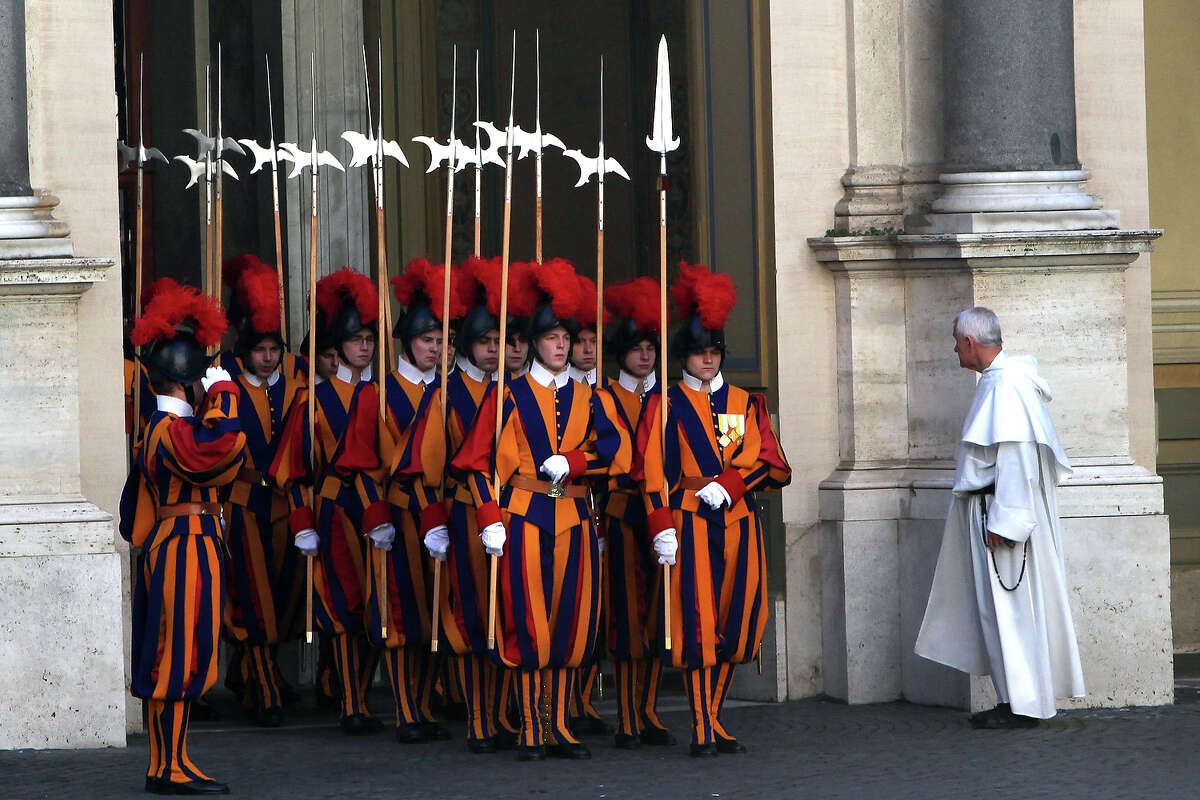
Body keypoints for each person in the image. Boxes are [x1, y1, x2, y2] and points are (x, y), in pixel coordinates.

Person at [451, 258, 631, 761]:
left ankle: (558, 724)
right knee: (529, 621)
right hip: (524, 517)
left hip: (572, 517)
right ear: (533, 343)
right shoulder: (507, 396)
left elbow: (615, 450)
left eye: (565, 339)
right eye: (551, 338)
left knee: (569, 621)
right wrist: (489, 518)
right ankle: (532, 724)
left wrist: (572, 460)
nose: (560, 346)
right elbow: (478, 463)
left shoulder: (588, 396)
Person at [638, 262, 791, 757]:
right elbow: (651, 470)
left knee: (734, 620)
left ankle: (715, 718)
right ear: (684, 357)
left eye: (713, 352)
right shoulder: (663, 404)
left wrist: (732, 484)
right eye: (700, 353)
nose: (707, 360)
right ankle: (701, 724)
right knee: (697, 621)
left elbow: (771, 460)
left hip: (737, 520)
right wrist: (661, 524)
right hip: (687, 521)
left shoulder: (746, 402)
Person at [915, 306, 1084, 728]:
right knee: (1002, 613)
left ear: (970, 343)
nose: (955, 350)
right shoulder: (1002, 381)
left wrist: (1006, 525)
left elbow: (1016, 460)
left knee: (1012, 612)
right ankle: (1016, 700)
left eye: (957, 342)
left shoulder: (1006, 386)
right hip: (991, 511)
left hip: (1000, 517)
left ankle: (1022, 706)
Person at [120, 280, 244, 794]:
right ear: (186, 381)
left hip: (189, 538)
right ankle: (167, 766)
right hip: (184, 542)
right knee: (177, 652)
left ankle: (172, 760)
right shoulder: (173, 431)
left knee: (185, 649)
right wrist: (225, 391)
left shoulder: (166, 426)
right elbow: (221, 449)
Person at [270, 267, 395, 736]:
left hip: (375, 513)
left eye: (368, 338)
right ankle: (351, 702)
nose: (364, 347)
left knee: (376, 609)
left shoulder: (379, 397)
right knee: (341, 610)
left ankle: (361, 692)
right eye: (356, 339)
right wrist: (302, 522)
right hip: (331, 512)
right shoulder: (312, 402)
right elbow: (294, 468)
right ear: (337, 346)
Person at [432, 256, 523, 753]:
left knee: (508, 611)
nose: (497, 350)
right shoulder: (445, 394)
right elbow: (426, 468)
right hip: (466, 514)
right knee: (472, 615)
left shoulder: (514, 392)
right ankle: (478, 718)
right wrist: (434, 523)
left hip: (511, 516)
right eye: (489, 342)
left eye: (503, 342)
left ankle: (507, 711)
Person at [367, 257, 459, 744]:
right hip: (401, 515)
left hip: (444, 513)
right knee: (402, 614)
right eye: (429, 340)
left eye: (444, 340)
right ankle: (406, 710)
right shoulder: (380, 394)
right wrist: (378, 518)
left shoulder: (452, 390)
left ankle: (427, 704)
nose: (437, 348)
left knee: (437, 611)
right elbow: (364, 467)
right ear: (409, 341)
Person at [217, 255, 305, 727]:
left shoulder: (292, 382)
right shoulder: (225, 384)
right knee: (252, 595)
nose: (268, 357)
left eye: (274, 349)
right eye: (261, 349)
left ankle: (251, 671)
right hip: (243, 502)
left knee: (282, 589)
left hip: (282, 503)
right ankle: (264, 681)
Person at [597, 277, 675, 749]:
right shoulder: (603, 399)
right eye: (637, 348)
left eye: (650, 347)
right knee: (627, 617)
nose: (644, 356)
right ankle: (626, 713)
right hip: (622, 514)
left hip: (661, 517)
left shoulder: (665, 400)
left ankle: (647, 709)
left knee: (656, 618)